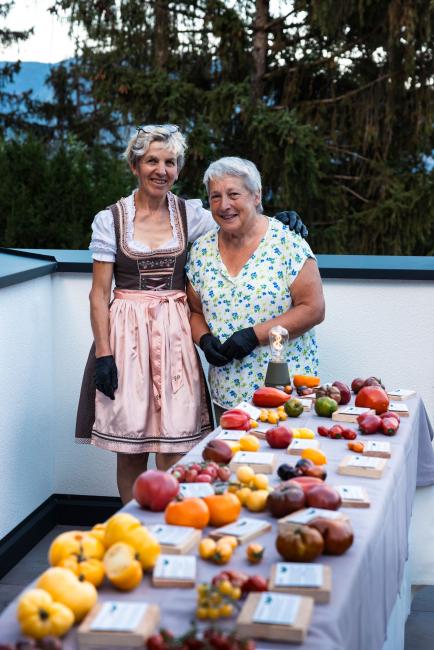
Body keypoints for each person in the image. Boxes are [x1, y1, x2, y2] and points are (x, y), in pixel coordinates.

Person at [75, 127, 307, 504]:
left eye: (170, 162)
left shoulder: (192, 215)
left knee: (176, 447)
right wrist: (104, 354)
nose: (161, 170)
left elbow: (236, 218)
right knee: (131, 451)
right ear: (135, 165)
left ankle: (173, 526)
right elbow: (99, 295)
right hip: (126, 339)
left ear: (178, 169)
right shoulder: (111, 220)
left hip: (175, 340)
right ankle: (138, 528)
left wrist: (278, 220)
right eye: (152, 160)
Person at [186, 157, 325, 421]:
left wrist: (253, 335)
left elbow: (313, 309)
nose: (224, 205)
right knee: (231, 461)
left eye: (233, 194)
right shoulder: (201, 250)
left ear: (256, 195)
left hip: (287, 391)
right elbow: (193, 311)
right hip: (227, 393)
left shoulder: (287, 242)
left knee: (285, 460)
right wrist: (204, 339)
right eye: (215, 196)